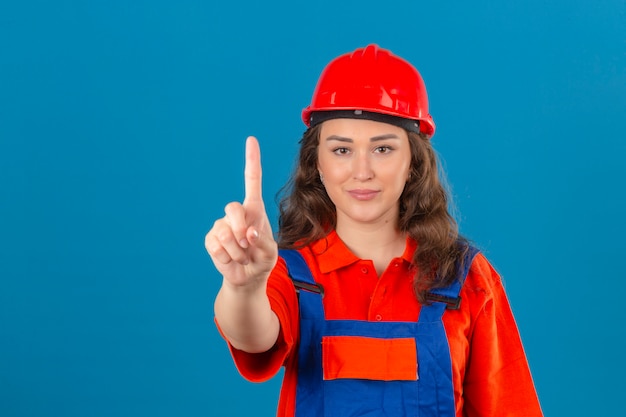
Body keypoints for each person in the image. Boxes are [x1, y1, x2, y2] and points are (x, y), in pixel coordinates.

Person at [205, 44, 543, 417]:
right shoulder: (290, 273)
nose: (362, 171)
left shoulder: (467, 278)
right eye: (341, 150)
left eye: (382, 149)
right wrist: (244, 287)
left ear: (413, 161)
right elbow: (252, 337)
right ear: (316, 162)